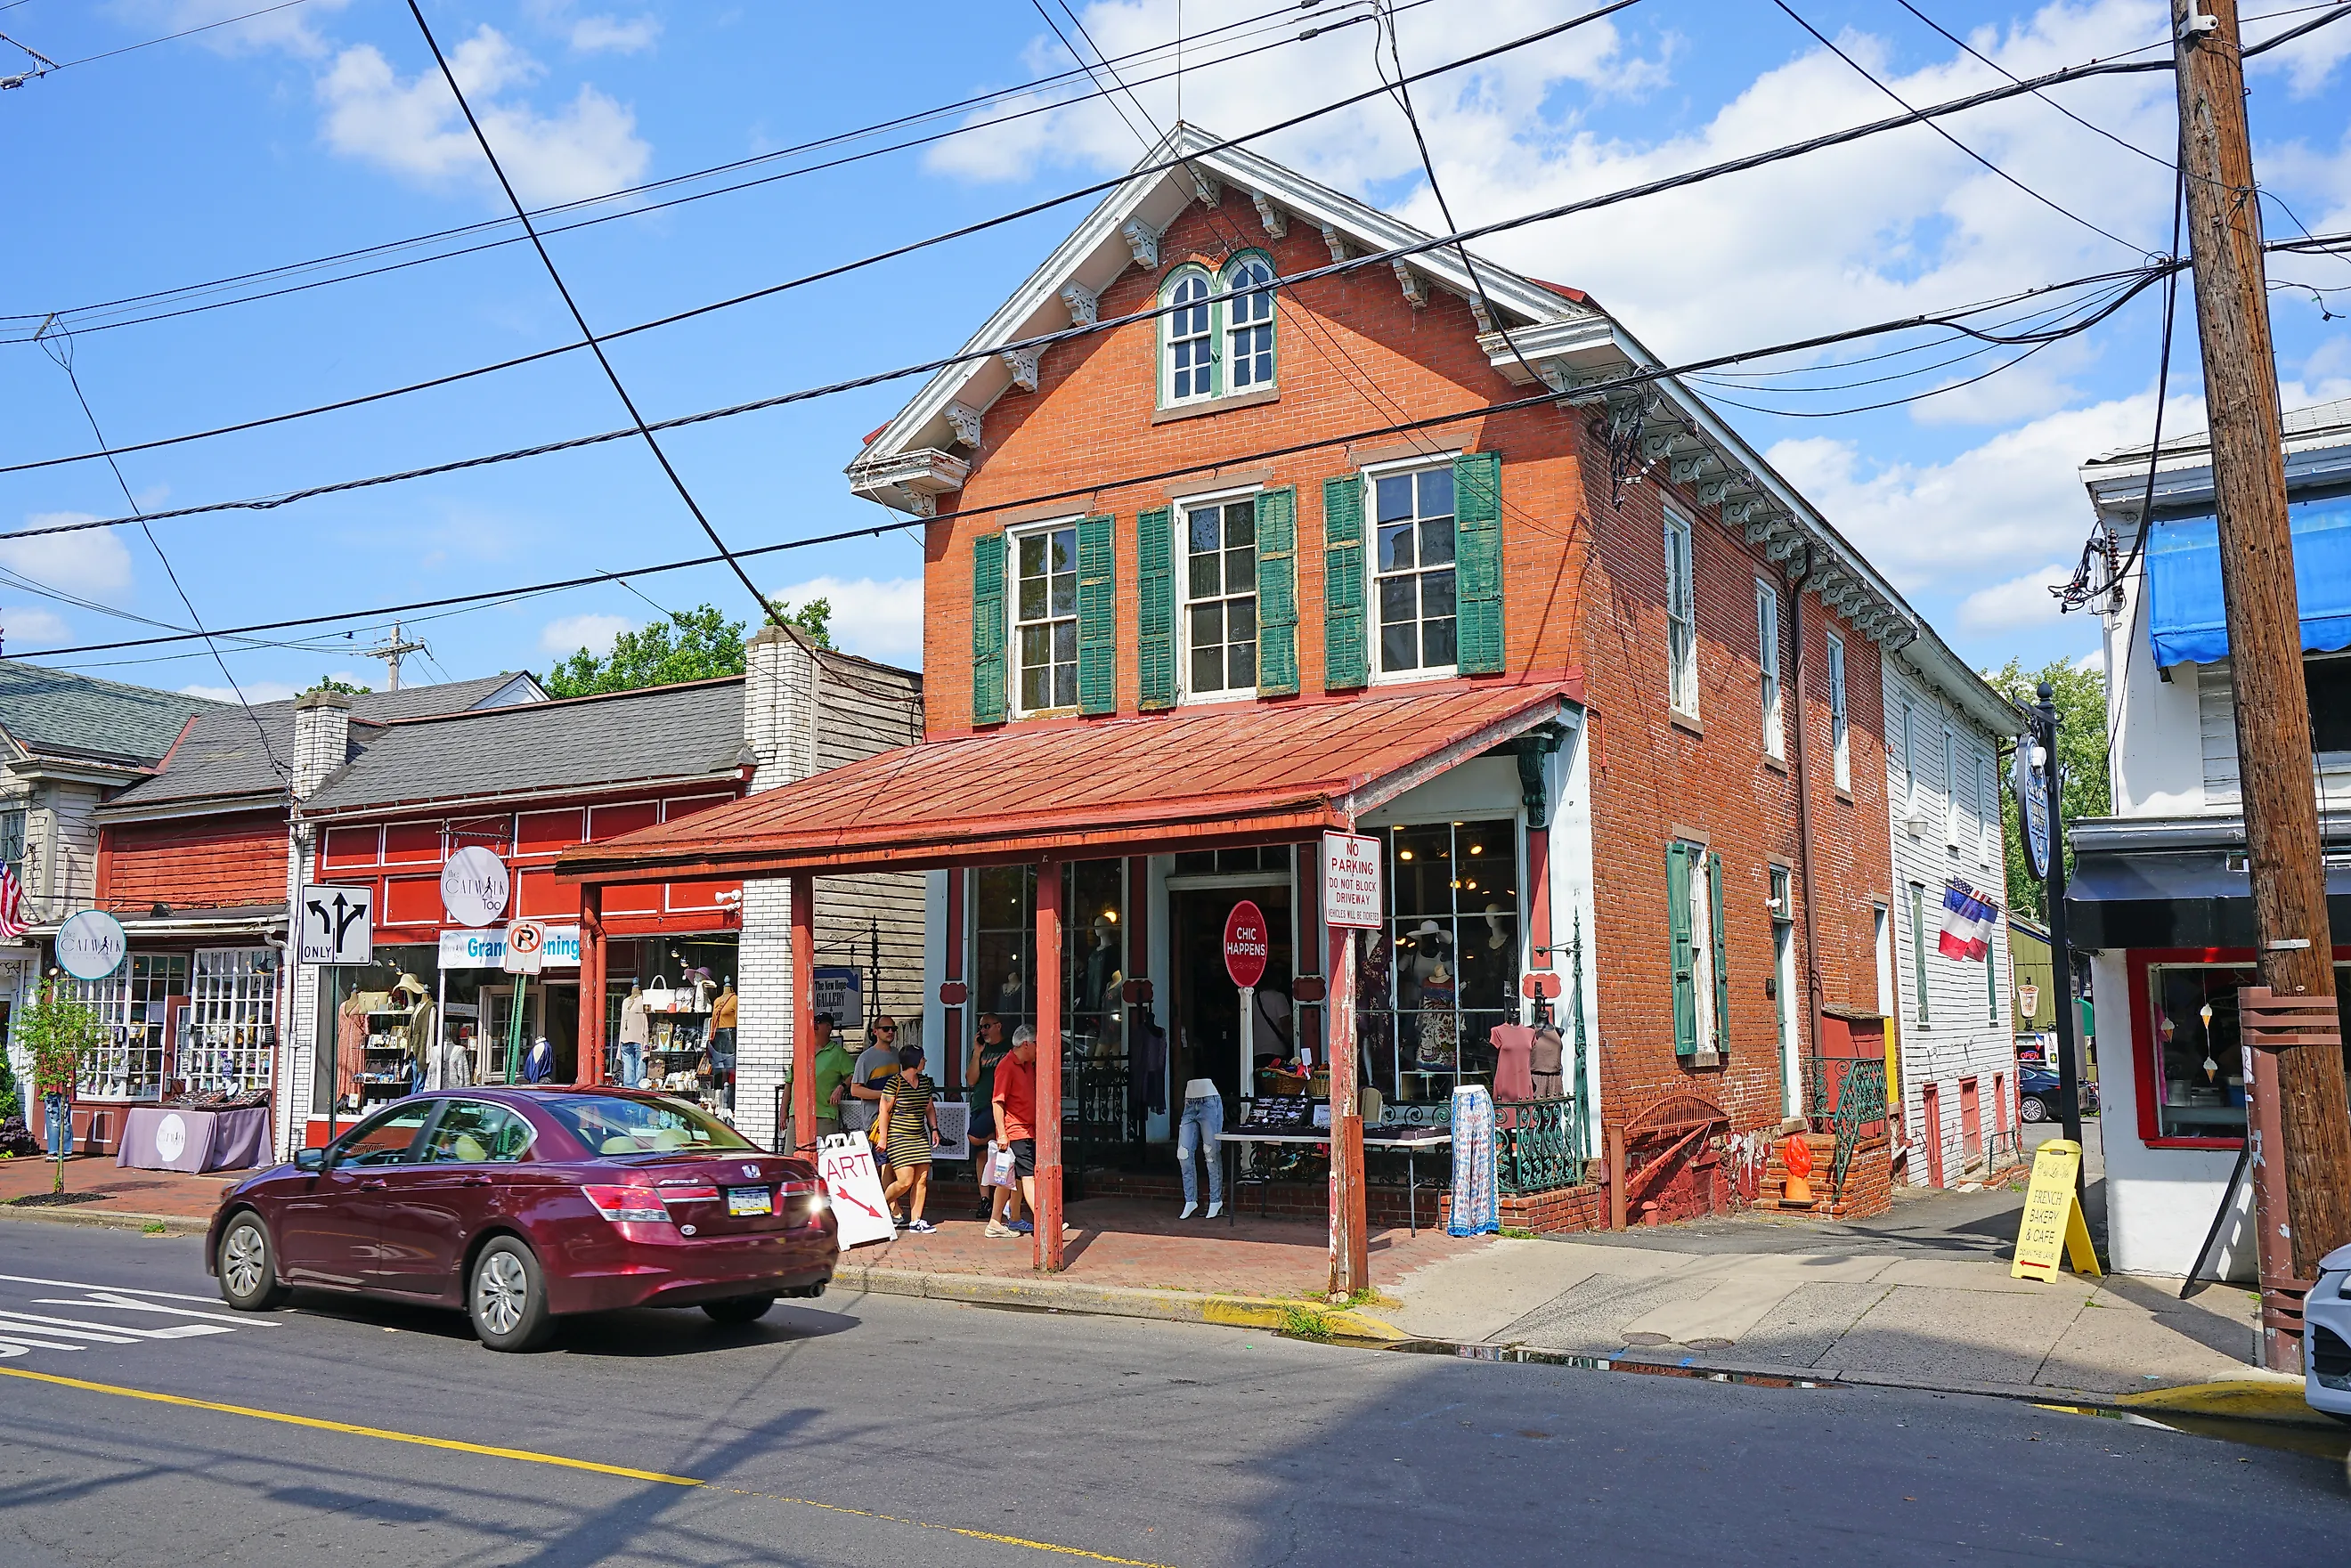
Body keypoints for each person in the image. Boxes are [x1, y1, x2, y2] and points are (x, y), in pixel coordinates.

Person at [989, 1025, 1073, 1241]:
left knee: (1014, 1179)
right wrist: (1002, 1133)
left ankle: (1004, 1220)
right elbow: (998, 1102)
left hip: (1027, 1129)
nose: (1039, 1048)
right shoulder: (1007, 1066)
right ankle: (1047, 1219)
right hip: (1016, 1130)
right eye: (1037, 1043)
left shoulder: (1027, 1065)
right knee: (1028, 1177)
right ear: (1026, 1044)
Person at [876, 1043, 941, 1232]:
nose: (925, 1061)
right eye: (922, 1058)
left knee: (921, 1179)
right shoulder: (894, 1082)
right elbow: (884, 1110)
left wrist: (934, 1129)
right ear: (914, 1061)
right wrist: (883, 1138)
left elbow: (929, 1107)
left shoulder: (925, 1083)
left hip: (919, 1136)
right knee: (905, 1180)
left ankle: (916, 1220)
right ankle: (881, 1204)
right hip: (899, 1136)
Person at [964, 1012, 1014, 1221]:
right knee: (982, 1153)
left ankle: (1008, 1203)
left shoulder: (1008, 1049)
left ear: (998, 1026)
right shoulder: (981, 1051)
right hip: (981, 1103)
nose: (983, 1030)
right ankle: (985, 1199)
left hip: (1002, 1104)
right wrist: (977, 1054)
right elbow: (971, 1080)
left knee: (1002, 1152)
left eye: (987, 1026)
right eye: (981, 1027)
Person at [808, 1014, 854, 1142]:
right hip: (798, 1114)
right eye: (814, 1021)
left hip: (825, 1114)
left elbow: (854, 1074)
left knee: (823, 1155)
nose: (814, 1024)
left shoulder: (838, 1053)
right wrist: (784, 1111)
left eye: (819, 1022)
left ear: (828, 1028)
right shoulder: (804, 1050)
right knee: (792, 1157)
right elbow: (790, 1081)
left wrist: (841, 1087)